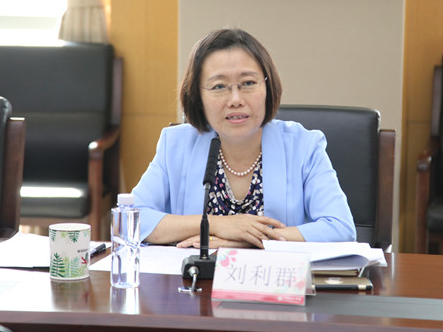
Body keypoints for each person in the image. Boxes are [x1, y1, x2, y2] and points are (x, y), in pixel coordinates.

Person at [132, 28, 356, 249]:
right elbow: (131, 219)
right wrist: (217, 224)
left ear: (268, 87)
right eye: (219, 86)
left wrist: (246, 241)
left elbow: (340, 229)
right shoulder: (176, 145)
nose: (235, 99)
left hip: (275, 274)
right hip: (196, 273)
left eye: (248, 83)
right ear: (198, 96)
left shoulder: (304, 146)